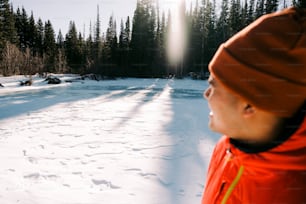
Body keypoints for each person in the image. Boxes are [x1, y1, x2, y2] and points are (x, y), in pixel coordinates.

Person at [202, 6, 306, 204]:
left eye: (213, 85)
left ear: (249, 104)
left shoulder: (289, 195)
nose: (206, 94)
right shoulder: (227, 149)